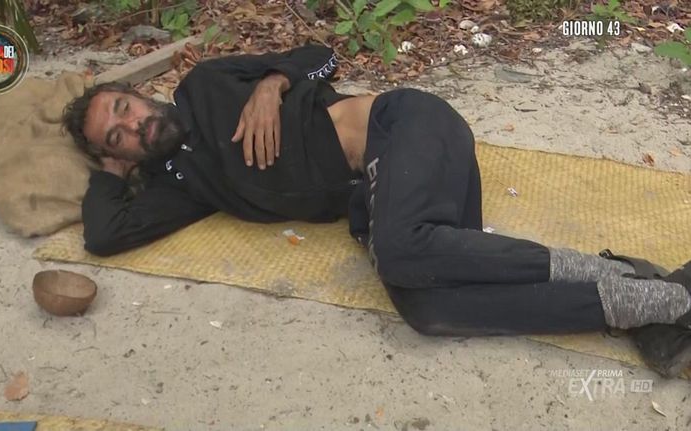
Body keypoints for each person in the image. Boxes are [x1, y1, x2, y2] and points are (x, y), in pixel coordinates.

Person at [63, 44, 691, 378]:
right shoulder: (181, 187)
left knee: (400, 250)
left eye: (124, 108)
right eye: (117, 137)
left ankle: (636, 287)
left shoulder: (203, 84)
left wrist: (271, 83)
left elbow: (320, 53)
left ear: (136, 93)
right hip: (389, 200)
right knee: (428, 310)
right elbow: (104, 234)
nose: (134, 125)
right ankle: (638, 298)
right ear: (119, 155)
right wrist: (109, 174)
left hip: (406, 125)